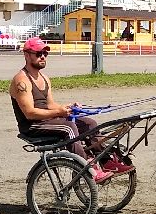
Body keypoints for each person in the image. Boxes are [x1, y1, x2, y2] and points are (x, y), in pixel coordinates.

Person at [10, 37, 132, 182]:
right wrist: (59, 112)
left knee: (89, 123)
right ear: (27, 55)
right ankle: (89, 168)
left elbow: (50, 105)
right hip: (33, 126)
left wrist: (68, 107)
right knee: (69, 127)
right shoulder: (21, 80)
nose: (42, 56)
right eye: (38, 53)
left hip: (48, 120)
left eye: (45, 53)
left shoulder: (44, 78)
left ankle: (107, 162)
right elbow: (30, 113)